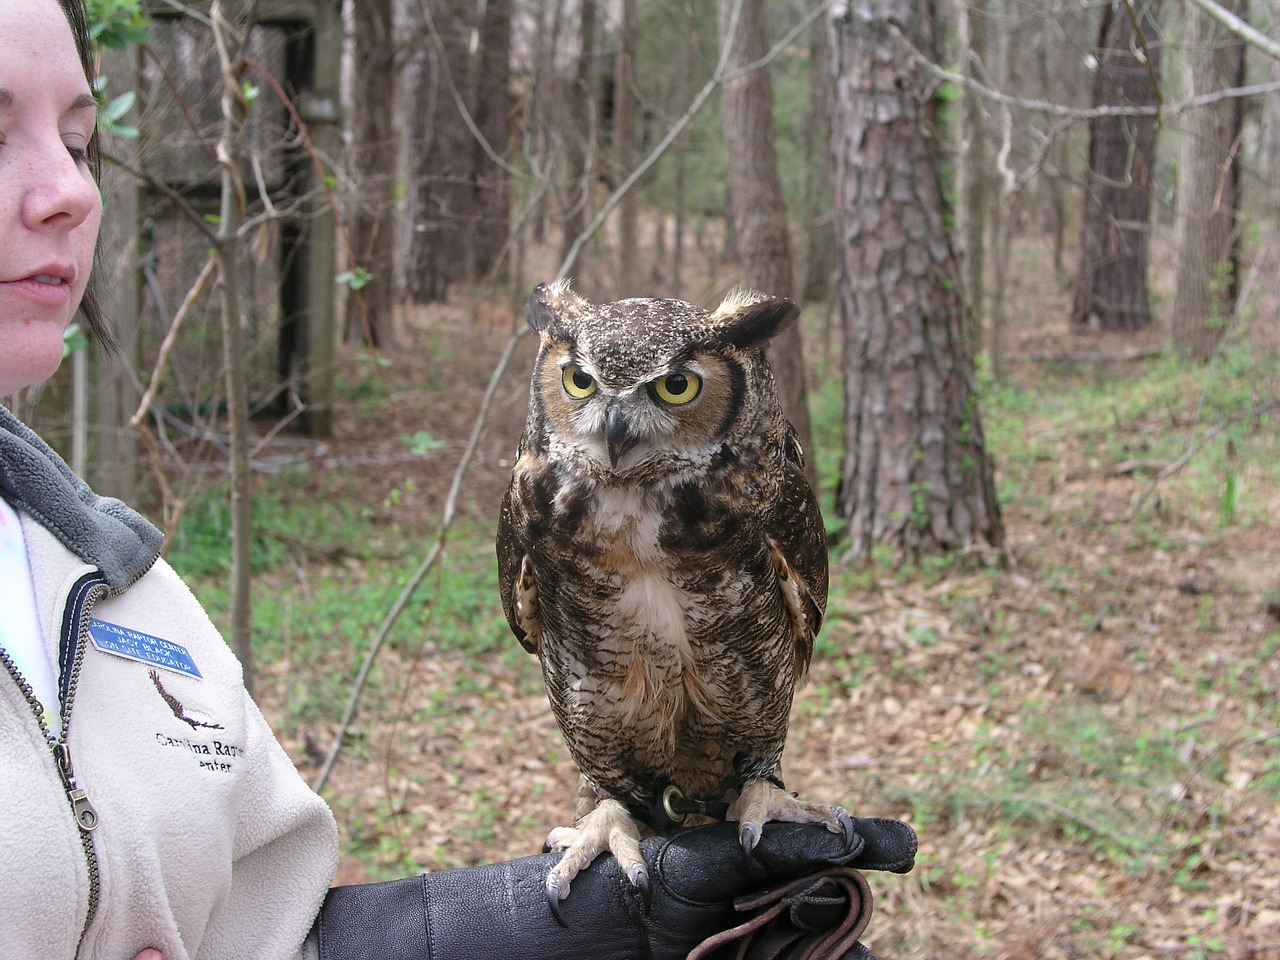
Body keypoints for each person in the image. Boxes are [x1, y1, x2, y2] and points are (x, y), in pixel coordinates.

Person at [0, 0, 916, 957]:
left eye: (80, 138)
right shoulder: (542, 512)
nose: (69, 189)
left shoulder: (123, 595)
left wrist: (528, 933)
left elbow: (262, 938)